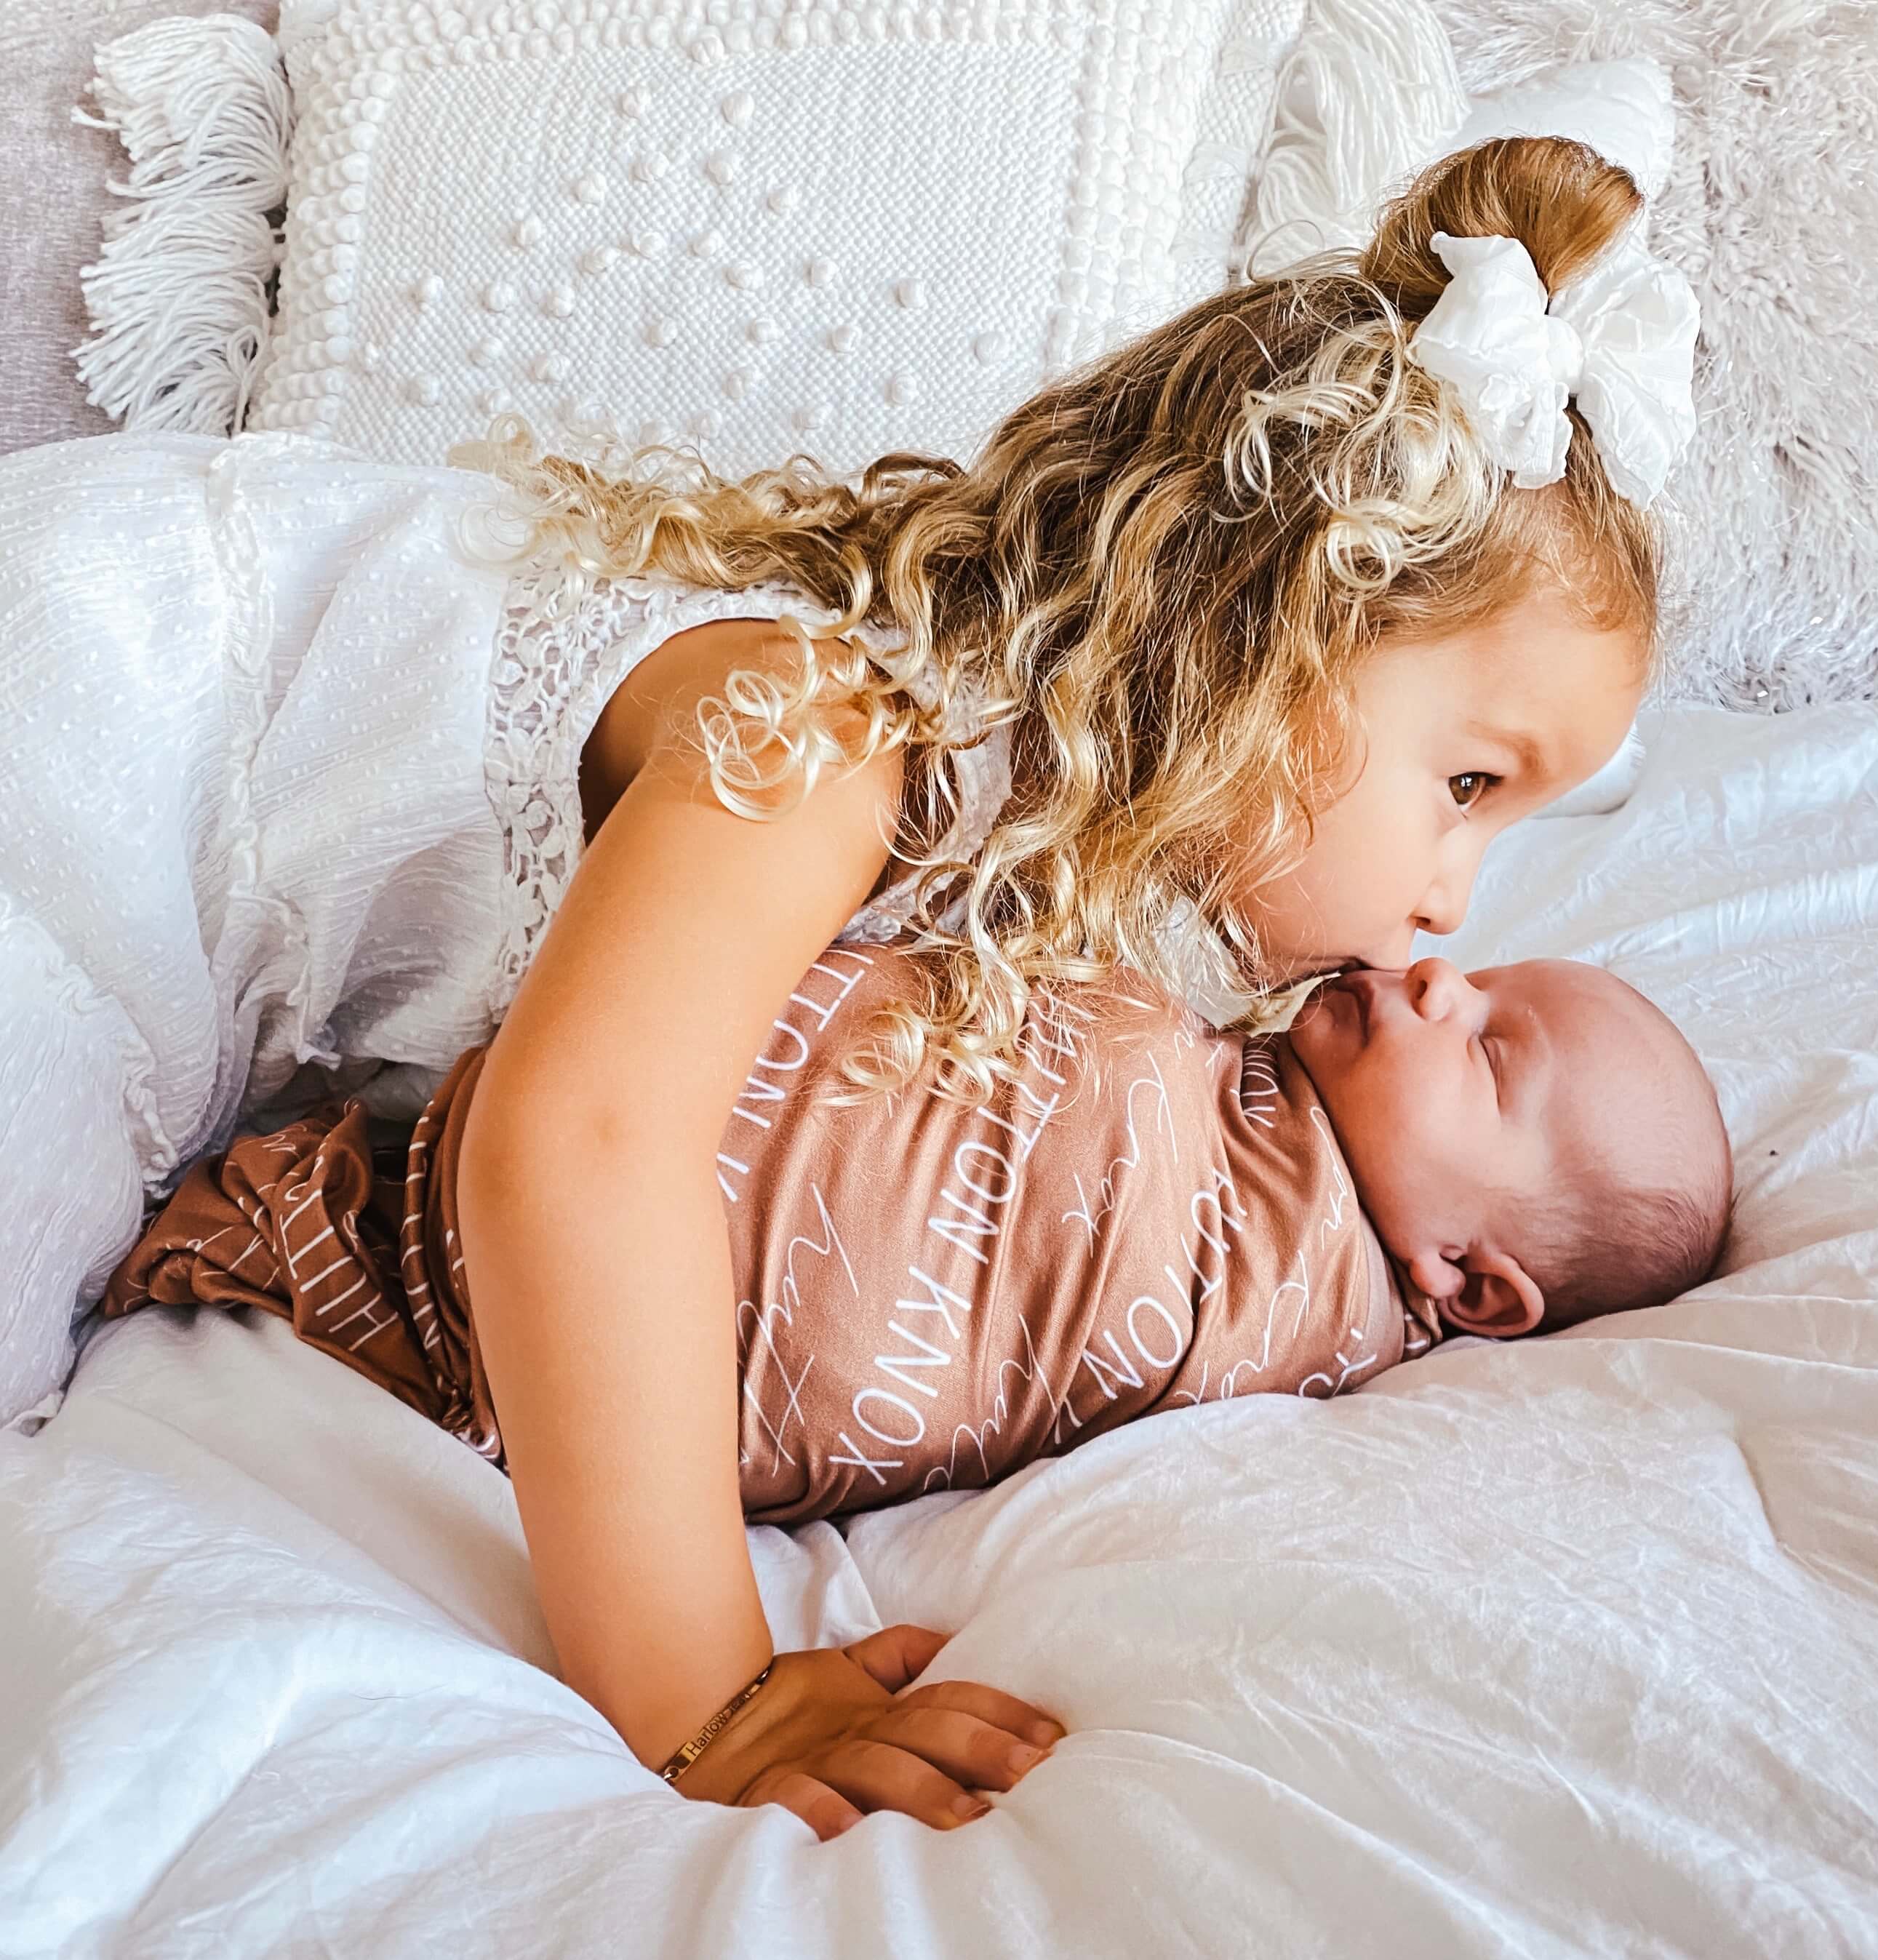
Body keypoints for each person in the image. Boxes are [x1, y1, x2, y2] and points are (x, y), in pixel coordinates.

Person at [15, 129, 1703, 1836]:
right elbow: (583, 1142)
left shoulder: (1040, 828)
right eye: (1467, 787)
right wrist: (707, 1689)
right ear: (1263, 644)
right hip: (95, 719)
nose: (1444, 907)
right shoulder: (830, 740)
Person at [104, 945, 1733, 1524]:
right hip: (580, 1146)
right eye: (1485, 977)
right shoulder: (1250, 1080)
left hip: (636, 1281)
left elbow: (1040, 1308)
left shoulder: (1289, 1307)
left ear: (1471, 1288)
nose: (1441, 976)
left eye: (1490, 1052)